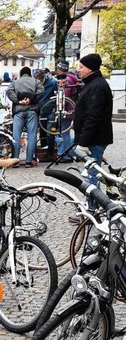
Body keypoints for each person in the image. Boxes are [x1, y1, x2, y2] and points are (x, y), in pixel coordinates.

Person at [70, 53, 113, 220]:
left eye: (81, 67)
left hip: (94, 140)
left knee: (91, 176)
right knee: (90, 175)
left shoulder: (97, 86)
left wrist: (83, 142)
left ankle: (91, 212)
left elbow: (93, 117)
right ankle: (92, 208)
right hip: (92, 138)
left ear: (89, 68)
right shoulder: (93, 84)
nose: (79, 70)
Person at [6, 66, 43, 167]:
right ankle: (29, 161)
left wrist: (18, 101)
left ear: (20, 73)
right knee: (31, 136)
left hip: (18, 111)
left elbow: (9, 92)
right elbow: (41, 91)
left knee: (16, 137)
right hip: (32, 111)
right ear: (30, 73)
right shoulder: (36, 82)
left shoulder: (15, 82)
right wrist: (31, 100)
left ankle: (15, 160)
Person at [54, 60, 80, 161]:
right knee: (66, 132)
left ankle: (67, 155)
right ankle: (66, 153)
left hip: (67, 109)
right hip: (70, 108)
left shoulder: (67, 79)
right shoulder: (72, 77)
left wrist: (60, 107)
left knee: (65, 133)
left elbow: (66, 95)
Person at [33, 68, 57, 159]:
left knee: (50, 131)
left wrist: (54, 106)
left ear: (43, 77)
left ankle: (50, 152)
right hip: (39, 109)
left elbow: (57, 94)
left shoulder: (52, 83)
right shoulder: (35, 83)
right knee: (42, 130)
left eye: (39, 79)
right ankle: (43, 149)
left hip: (50, 109)